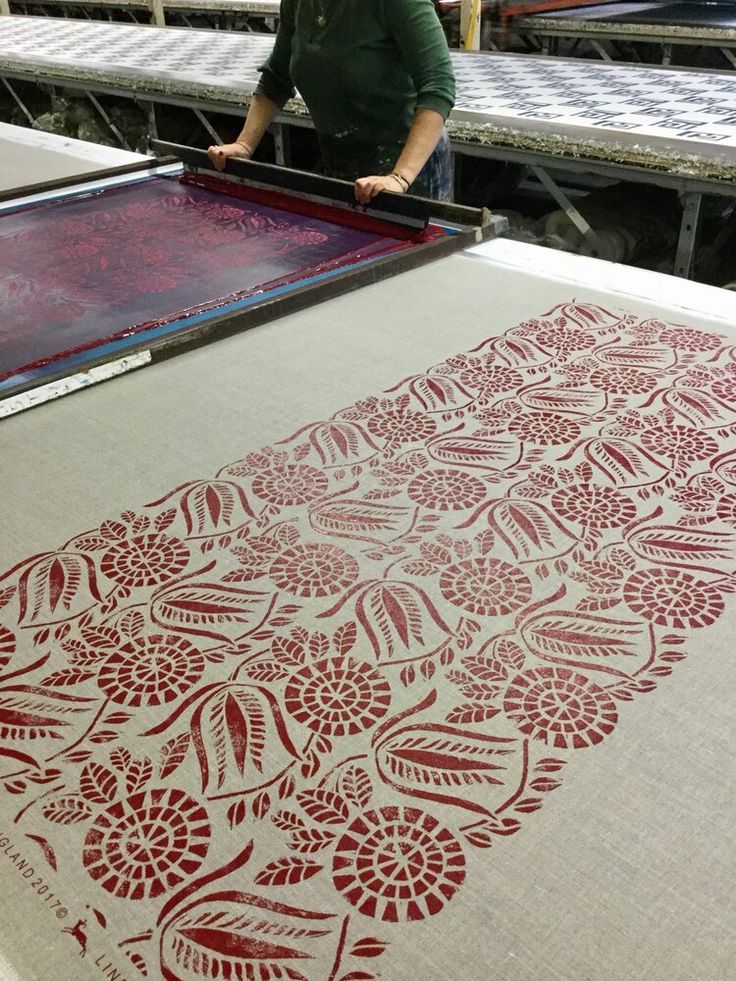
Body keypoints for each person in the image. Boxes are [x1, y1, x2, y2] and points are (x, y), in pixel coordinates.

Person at [207, 0, 456, 202]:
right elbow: (276, 77)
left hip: (409, 170)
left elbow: (438, 86)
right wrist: (244, 145)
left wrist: (399, 178)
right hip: (342, 164)